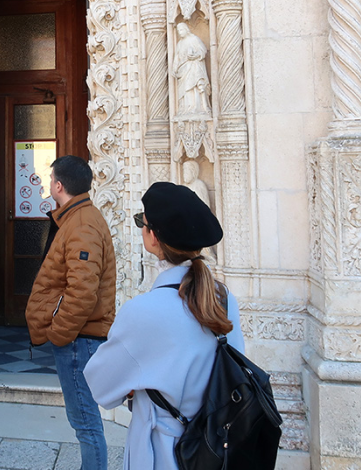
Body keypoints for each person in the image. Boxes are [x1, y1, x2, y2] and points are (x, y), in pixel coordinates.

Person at [83, 182, 243, 470]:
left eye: (141, 223)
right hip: (216, 449)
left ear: (153, 237)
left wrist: (134, 386)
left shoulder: (143, 310)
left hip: (163, 452)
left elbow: (101, 385)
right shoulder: (223, 298)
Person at [25, 155, 116, 470]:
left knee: (85, 423)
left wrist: (58, 333)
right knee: (85, 421)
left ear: (59, 185)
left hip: (79, 339)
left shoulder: (82, 224)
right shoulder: (77, 218)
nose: (49, 184)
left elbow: (83, 291)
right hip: (79, 337)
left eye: (51, 179)